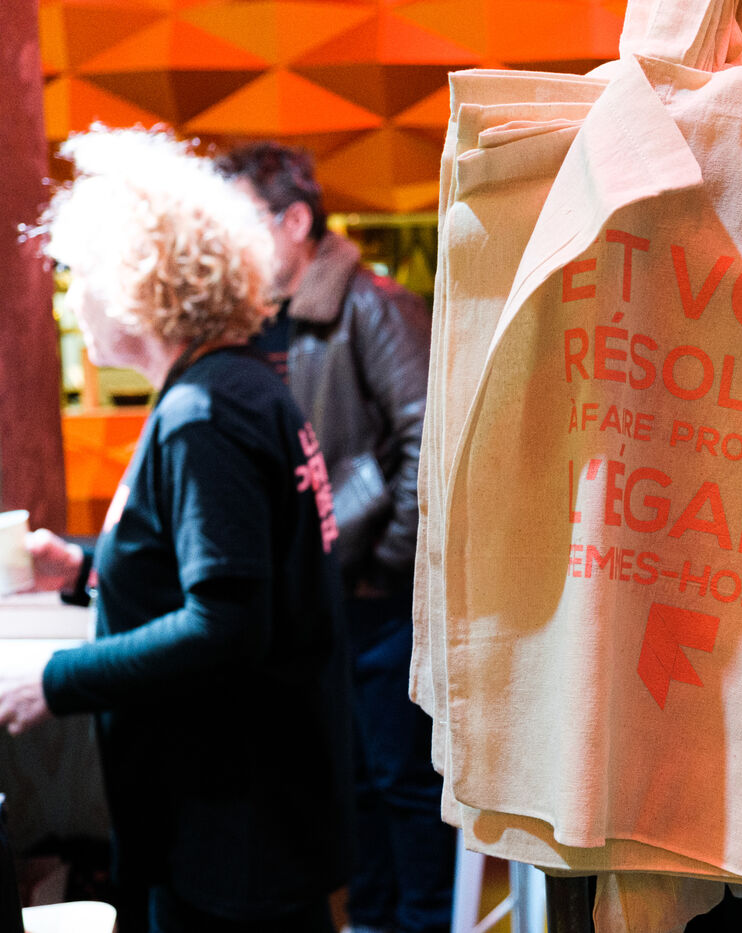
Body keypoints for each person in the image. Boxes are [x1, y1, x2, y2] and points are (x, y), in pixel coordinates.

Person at [0, 127, 353, 933]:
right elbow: (219, 563)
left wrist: (55, 681)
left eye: (80, 277)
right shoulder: (237, 385)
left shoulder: (205, 412)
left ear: (137, 284)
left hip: (235, 823)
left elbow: (224, 622)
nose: (71, 300)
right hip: (259, 807)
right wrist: (82, 565)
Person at [216, 143, 452, 933]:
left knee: (404, 784)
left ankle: (423, 924)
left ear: (295, 220)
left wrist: (386, 565)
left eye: (244, 218)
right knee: (351, 781)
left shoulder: (373, 304)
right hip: (320, 591)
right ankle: (373, 920)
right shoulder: (260, 318)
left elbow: (431, 442)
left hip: (376, 594)